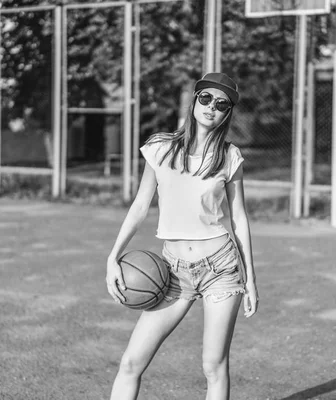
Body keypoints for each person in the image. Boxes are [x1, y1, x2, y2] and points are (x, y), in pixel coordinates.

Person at [105, 72, 259, 400]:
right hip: (172, 272)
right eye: (205, 98)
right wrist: (113, 256)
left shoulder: (230, 157)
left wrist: (251, 280)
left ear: (227, 112)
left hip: (221, 268)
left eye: (221, 104)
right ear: (194, 101)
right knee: (131, 362)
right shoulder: (160, 149)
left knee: (213, 365)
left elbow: (239, 218)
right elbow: (139, 206)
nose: (211, 108)